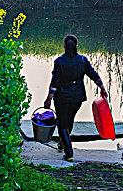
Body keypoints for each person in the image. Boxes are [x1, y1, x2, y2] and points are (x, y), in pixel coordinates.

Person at [43, 34, 107, 162]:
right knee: (69, 121)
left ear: (64, 46)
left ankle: (69, 152)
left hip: (62, 98)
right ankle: (62, 144)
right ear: (76, 46)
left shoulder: (59, 62)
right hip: (77, 98)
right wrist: (102, 87)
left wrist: (49, 99)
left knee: (62, 124)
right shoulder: (82, 60)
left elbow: (55, 83)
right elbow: (93, 75)